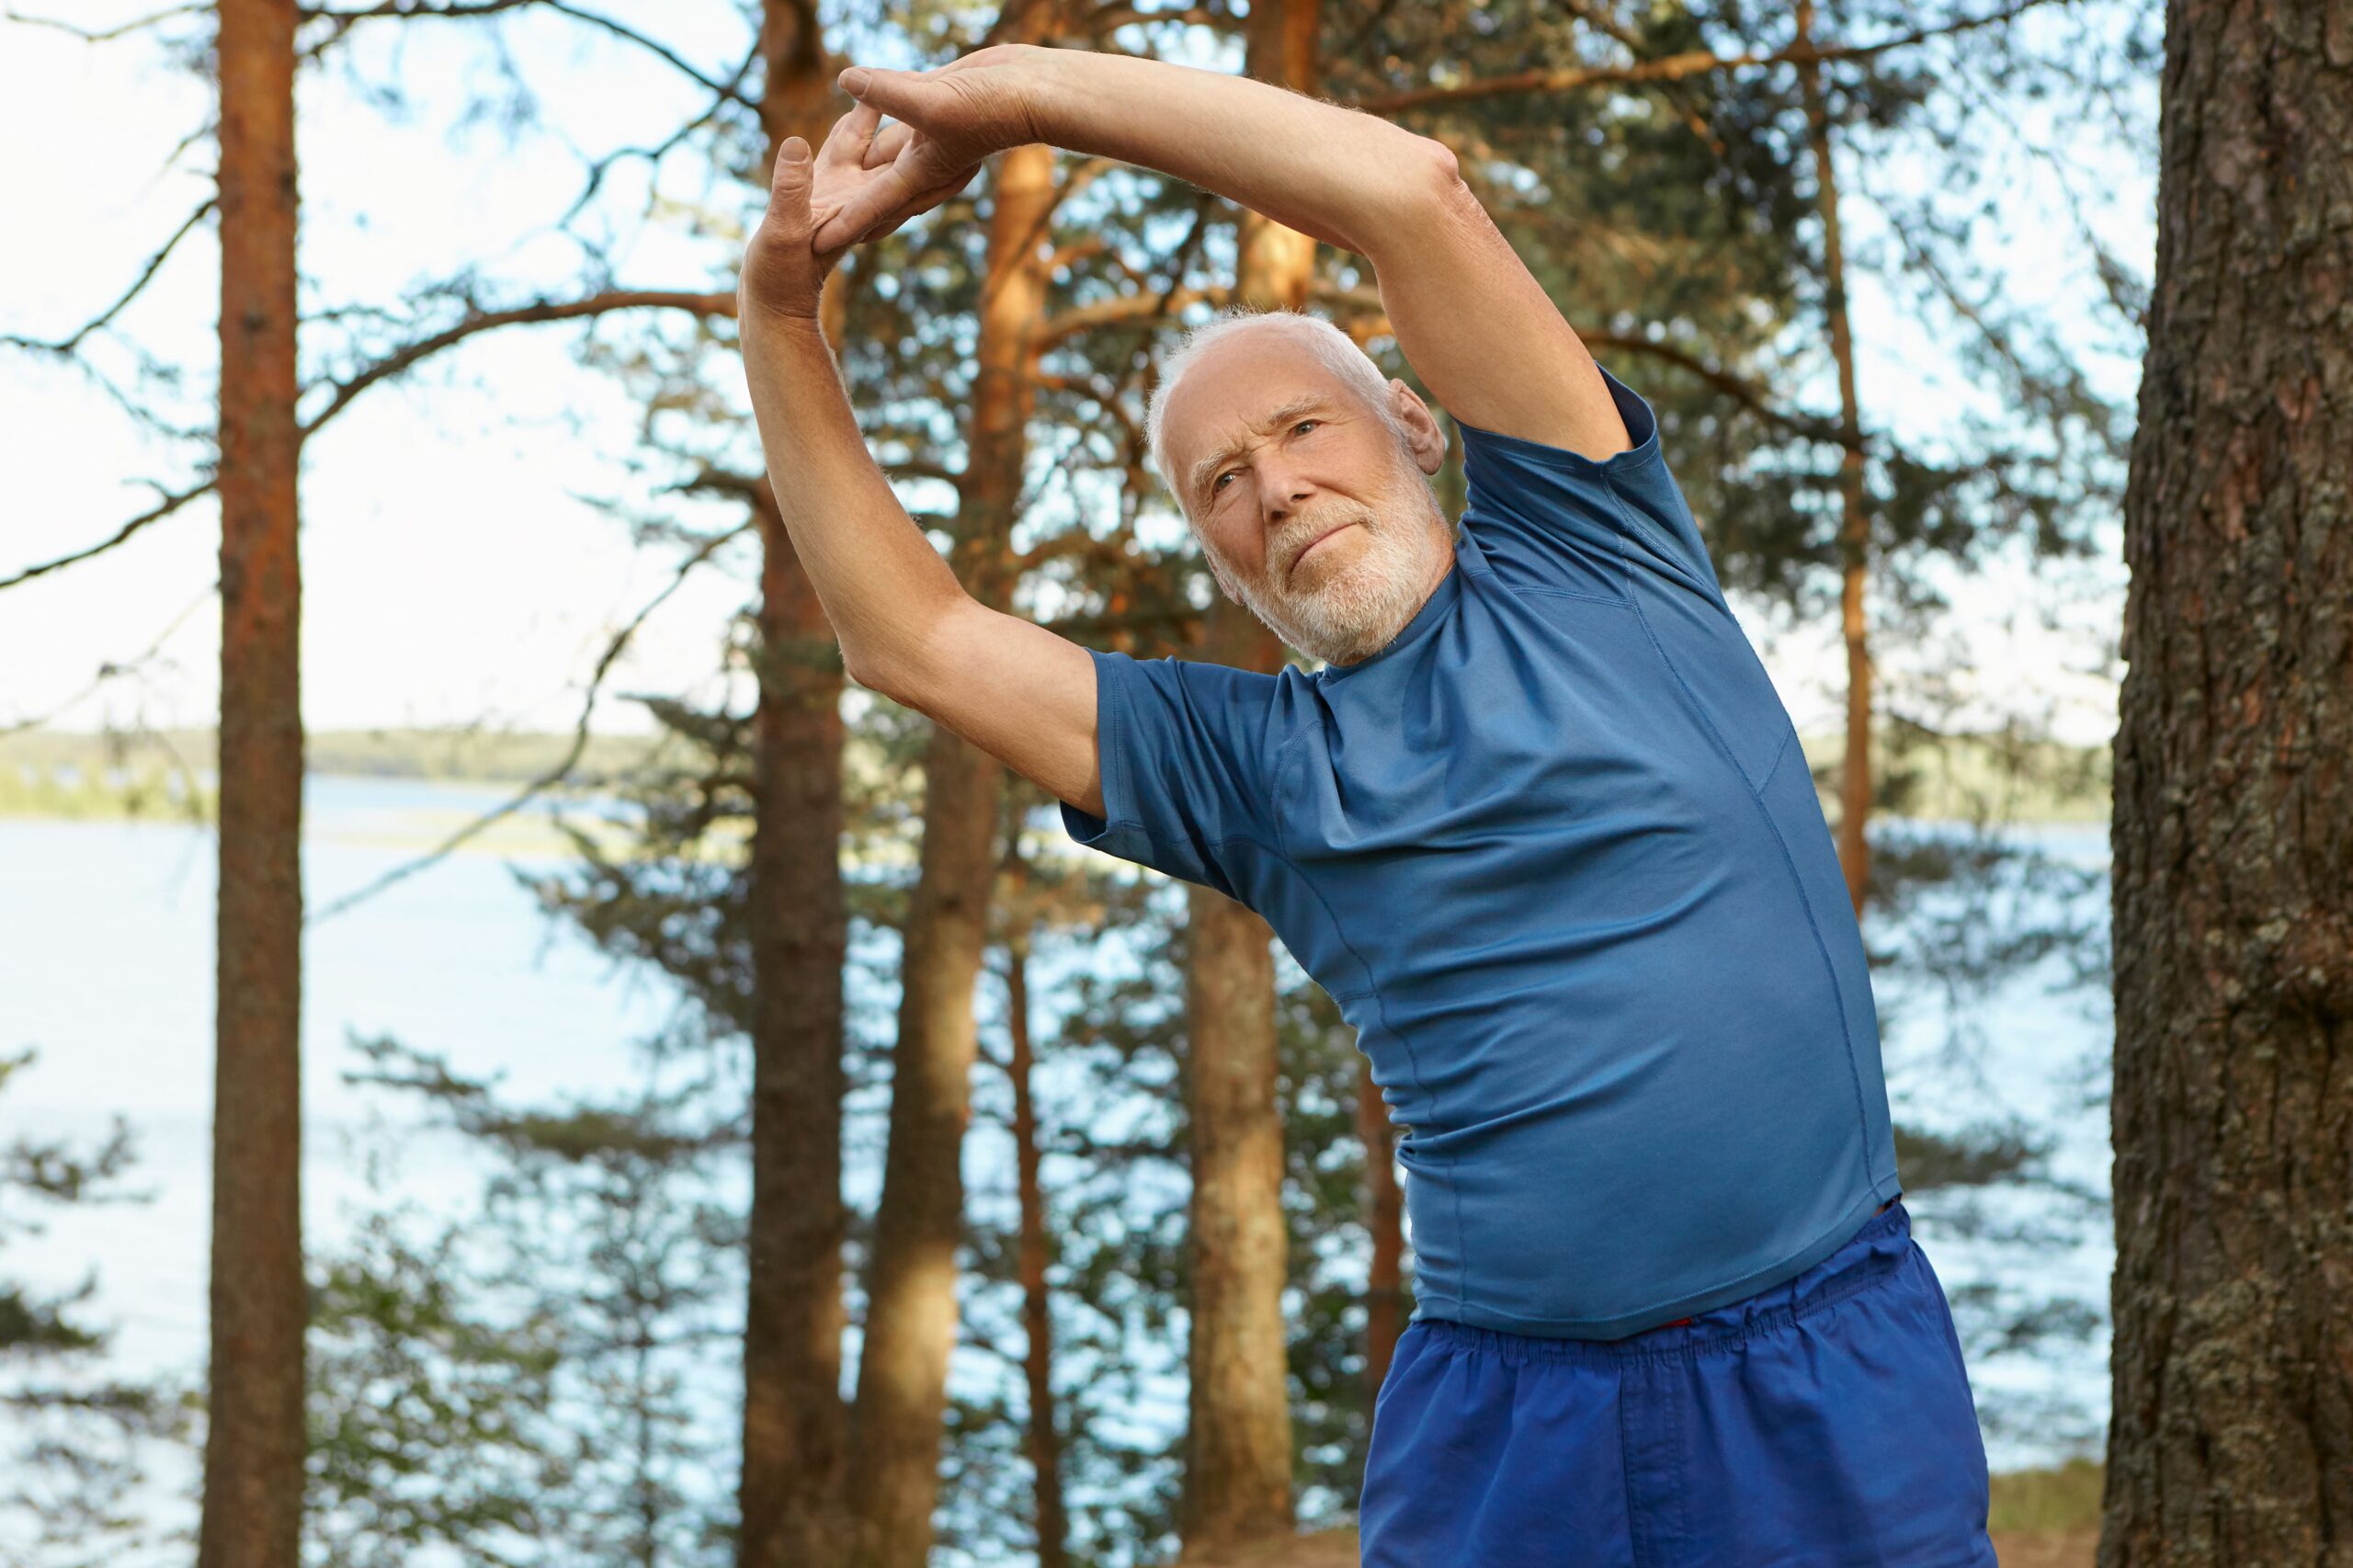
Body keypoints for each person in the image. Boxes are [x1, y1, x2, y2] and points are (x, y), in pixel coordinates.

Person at [738, 41, 1998, 1568]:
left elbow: (1406, 190)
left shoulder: (1596, 551)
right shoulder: (1249, 770)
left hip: (1822, 1371)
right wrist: (779, 317)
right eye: (1218, 483)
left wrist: (1010, 97)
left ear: (1412, 425)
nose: (1270, 487)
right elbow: (912, 636)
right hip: (1507, 1427)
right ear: (1221, 561)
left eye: (1300, 430)